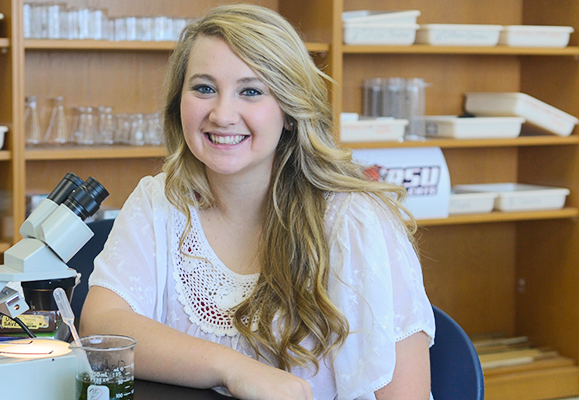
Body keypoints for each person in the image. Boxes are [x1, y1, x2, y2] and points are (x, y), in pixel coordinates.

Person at [81, 4, 435, 400]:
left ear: (289, 110)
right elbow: (103, 326)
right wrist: (235, 370)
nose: (222, 114)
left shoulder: (355, 221)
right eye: (204, 88)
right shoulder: (160, 201)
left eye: (251, 91)